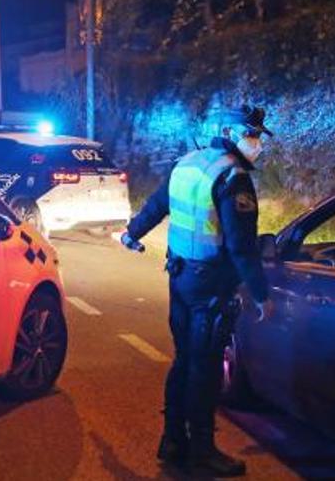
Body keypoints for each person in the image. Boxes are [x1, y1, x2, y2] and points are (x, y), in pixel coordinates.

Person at [120, 105, 273, 477]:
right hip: (211, 287)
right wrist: (260, 293)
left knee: (185, 360)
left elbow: (158, 205)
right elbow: (241, 245)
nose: (256, 143)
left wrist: (131, 233)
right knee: (204, 369)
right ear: (230, 133)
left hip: (180, 277)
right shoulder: (233, 177)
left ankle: (173, 441)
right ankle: (202, 452)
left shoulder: (187, 163)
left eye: (257, 136)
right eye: (251, 135)